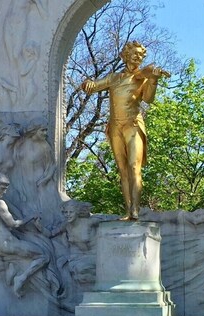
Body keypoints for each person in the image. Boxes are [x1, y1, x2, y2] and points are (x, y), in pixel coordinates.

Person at [80, 41, 170, 220]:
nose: (138, 57)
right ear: (125, 55)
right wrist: (87, 84)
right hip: (115, 126)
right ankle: (127, 210)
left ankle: (135, 210)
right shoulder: (114, 78)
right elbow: (95, 86)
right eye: (134, 54)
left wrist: (153, 79)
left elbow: (149, 99)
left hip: (133, 125)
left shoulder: (142, 77)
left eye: (140, 55)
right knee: (122, 170)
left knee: (134, 166)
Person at [0, 173, 49, 297]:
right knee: (43, 256)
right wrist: (31, 216)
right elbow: (13, 224)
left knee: (20, 254)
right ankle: (20, 278)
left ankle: (13, 268)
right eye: (2, 188)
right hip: (6, 242)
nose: (4, 192)